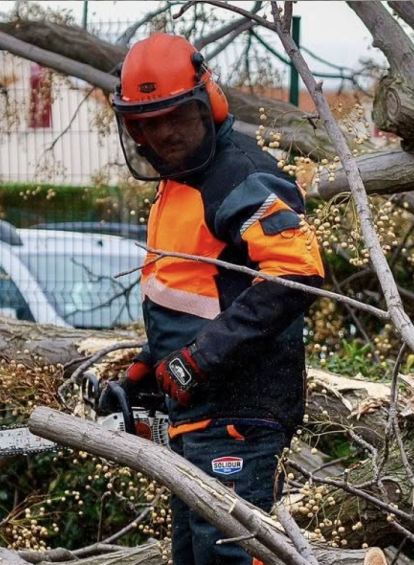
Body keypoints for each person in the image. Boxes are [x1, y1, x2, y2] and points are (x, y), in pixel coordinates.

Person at [110, 33, 326, 565]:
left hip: (240, 414)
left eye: (177, 118)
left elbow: (298, 270)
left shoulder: (239, 174)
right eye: (150, 124)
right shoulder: (179, 186)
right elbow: (194, 296)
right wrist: (149, 367)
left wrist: (197, 361)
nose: (166, 135)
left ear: (208, 103)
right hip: (200, 417)